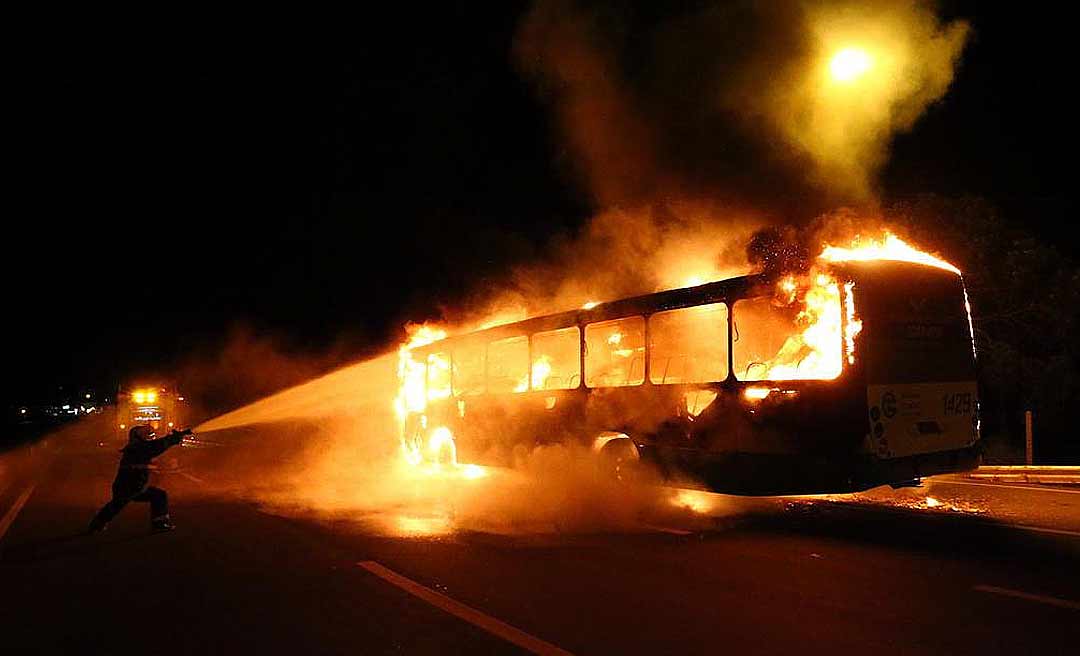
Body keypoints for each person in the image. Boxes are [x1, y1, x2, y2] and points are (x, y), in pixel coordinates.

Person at [88, 425, 190, 533]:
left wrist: (173, 438)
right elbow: (157, 446)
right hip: (130, 485)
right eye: (146, 434)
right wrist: (173, 438)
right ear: (139, 436)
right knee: (117, 505)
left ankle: (97, 525)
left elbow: (155, 446)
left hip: (132, 485)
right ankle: (96, 525)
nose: (148, 436)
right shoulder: (138, 447)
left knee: (157, 495)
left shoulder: (135, 447)